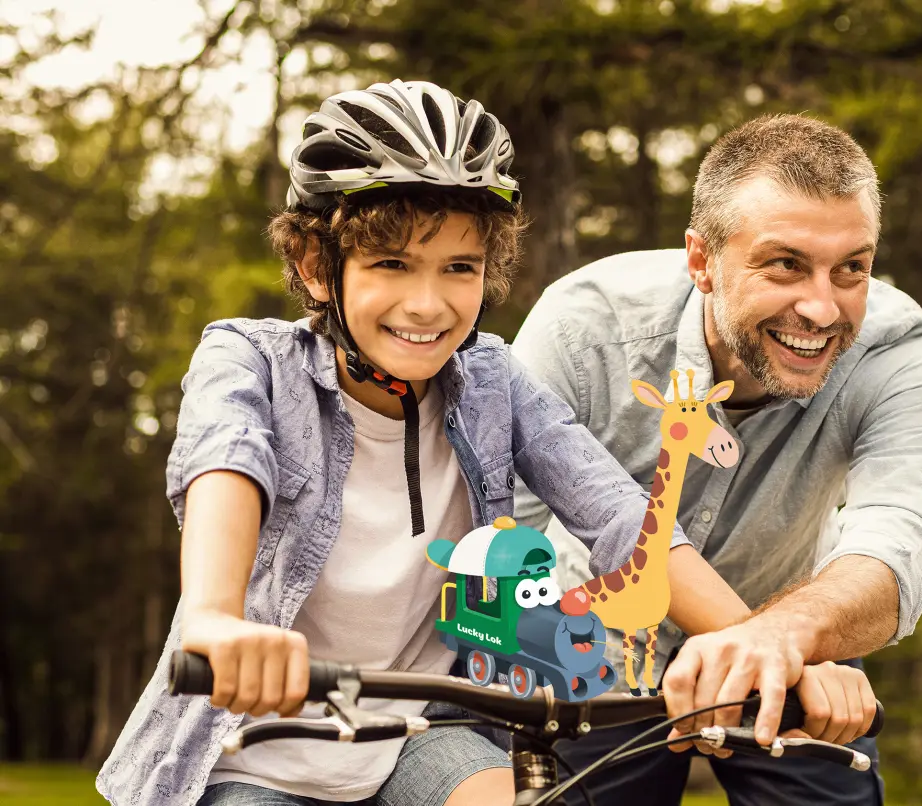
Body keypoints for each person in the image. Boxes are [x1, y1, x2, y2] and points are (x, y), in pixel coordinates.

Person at [93, 78, 765, 806]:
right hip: (252, 752)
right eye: (391, 264)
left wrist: (762, 646)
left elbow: (616, 513)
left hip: (420, 736)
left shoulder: (491, 381)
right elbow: (228, 460)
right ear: (317, 267)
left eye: (459, 268)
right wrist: (216, 621)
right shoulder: (250, 361)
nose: (428, 303)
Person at [511, 114, 922, 805]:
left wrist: (779, 639)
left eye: (852, 268)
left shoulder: (898, 352)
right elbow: (496, 529)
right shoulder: (582, 331)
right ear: (701, 261)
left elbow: (905, 534)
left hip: (797, 652)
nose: (822, 307)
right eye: (785, 264)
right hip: (589, 654)